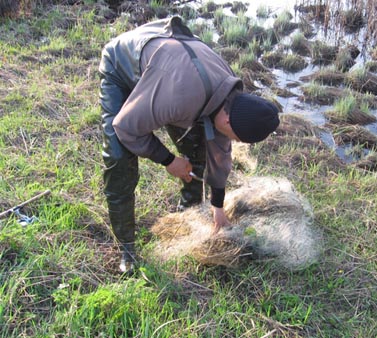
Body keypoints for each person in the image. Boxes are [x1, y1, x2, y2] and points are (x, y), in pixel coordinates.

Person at [98, 16, 280, 273]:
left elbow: (220, 155)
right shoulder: (179, 98)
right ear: (227, 120)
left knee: (199, 148)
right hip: (123, 67)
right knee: (119, 157)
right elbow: (126, 127)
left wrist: (217, 207)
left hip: (168, 70)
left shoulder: (229, 97)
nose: (234, 142)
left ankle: (190, 211)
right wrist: (169, 160)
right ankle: (127, 246)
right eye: (237, 137)